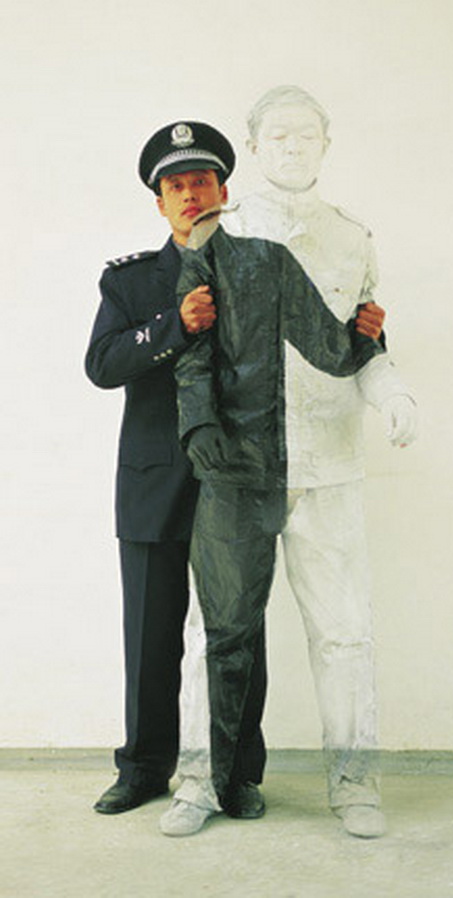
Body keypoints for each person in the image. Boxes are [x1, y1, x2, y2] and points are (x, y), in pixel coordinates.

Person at [173, 87, 417, 839]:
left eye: (305, 135)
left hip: (330, 467)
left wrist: (392, 391)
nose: (291, 147)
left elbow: (363, 345)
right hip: (237, 469)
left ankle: (355, 781)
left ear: (326, 144)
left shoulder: (353, 239)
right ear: (252, 147)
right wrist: (199, 425)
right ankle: (198, 781)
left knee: (346, 634)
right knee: (217, 634)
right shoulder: (218, 234)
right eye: (276, 135)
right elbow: (194, 350)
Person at [85, 122, 269, 816]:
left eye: (201, 181)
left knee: (237, 636)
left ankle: (236, 775)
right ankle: (142, 770)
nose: (190, 194)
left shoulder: (260, 271)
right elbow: (102, 364)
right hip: (154, 482)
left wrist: (367, 336)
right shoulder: (131, 281)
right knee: (150, 636)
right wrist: (175, 324)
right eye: (176, 186)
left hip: (236, 481)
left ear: (223, 191)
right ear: (159, 203)